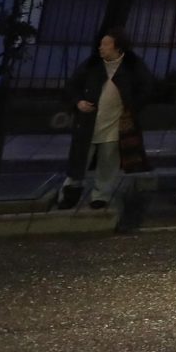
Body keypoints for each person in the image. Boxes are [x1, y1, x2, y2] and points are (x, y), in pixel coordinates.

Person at [62, 31, 149, 217]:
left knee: (108, 159)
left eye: (106, 44)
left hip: (115, 122)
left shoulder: (132, 65)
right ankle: (71, 191)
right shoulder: (92, 64)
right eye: (101, 44)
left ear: (118, 47)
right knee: (80, 157)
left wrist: (132, 108)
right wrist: (78, 102)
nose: (101, 48)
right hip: (89, 121)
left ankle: (101, 195)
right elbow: (72, 85)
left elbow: (146, 88)